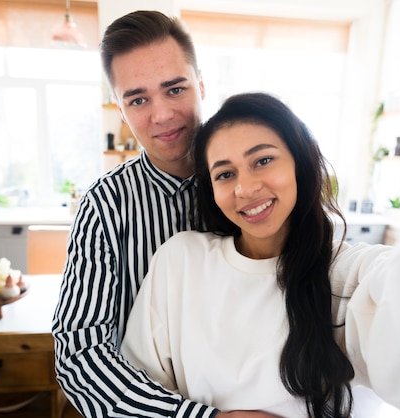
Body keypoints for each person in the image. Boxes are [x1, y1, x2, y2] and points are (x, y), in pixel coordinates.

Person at [121, 92, 400, 417]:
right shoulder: (181, 261)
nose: (245, 188)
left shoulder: (347, 273)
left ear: (300, 163)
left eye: (262, 160)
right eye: (225, 174)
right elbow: (135, 384)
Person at [52, 10, 279, 418]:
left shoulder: (257, 192)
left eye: (175, 90)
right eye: (137, 99)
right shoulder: (104, 207)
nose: (160, 114)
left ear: (202, 86)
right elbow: (80, 353)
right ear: (120, 112)